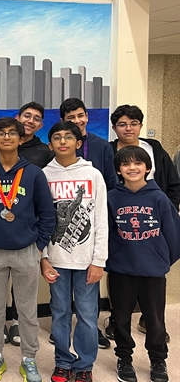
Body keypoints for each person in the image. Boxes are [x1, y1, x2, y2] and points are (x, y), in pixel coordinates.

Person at [0, 117, 56, 382]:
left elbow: (46, 213)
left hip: (27, 251)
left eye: (12, 133)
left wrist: (39, 245)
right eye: (1, 134)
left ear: (20, 138)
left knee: (27, 311)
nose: (7, 137)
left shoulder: (34, 173)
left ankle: (29, 358)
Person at [41, 121, 108, 382]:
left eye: (68, 137)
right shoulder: (43, 175)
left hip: (86, 261)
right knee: (59, 314)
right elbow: (42, 220)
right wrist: (43, 258)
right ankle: (62, 361)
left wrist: (99, 261)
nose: (63, 141)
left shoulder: (93, 175)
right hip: (56, 259)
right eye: (57, 137)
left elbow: (101, 219)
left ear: (79, 142)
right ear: (50, 144)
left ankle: (84, 366)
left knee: (89, 316)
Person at [107, 146, 180, 382]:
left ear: (147, 168)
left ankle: (158, 360)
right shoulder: (112, 197)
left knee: (155, 319)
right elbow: (106, 233)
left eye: (138, 163)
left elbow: (173, 235)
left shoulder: (159, 197)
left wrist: (161, 260)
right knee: (121, 317)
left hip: (153, 271)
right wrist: (112, 258)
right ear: (119, 170)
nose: (132, 168)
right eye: (126, 164)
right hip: (121, 269)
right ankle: (124, 358)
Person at [108, 104, 180, 342]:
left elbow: (172, 184)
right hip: (121, 229)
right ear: (114, 127)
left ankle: (150, 322)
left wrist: (166, 211)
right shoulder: (108, 152)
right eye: (122, 124)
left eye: (133, 123)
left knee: (152, 291)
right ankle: (118, 322)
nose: (128, 128)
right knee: (121, 287)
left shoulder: (154, 149)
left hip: (152, 232)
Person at [60, 97, 116, 349]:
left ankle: (90, 333)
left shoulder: (102, 147)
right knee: (60, 302)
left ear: (87, 117)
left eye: (80, 115)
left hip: (92, 224)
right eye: (70, 117)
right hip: (62, 241)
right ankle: (63, 338)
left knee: (87, 300)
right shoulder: (53, 160)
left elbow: (111, 185)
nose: (76, 121)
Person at [0, 101, 53, 168]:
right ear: (17, 118)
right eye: (27, 116)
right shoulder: (0, 144)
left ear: (40, 126)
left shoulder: (45, 151)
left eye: (36, 119)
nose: (31, 121)